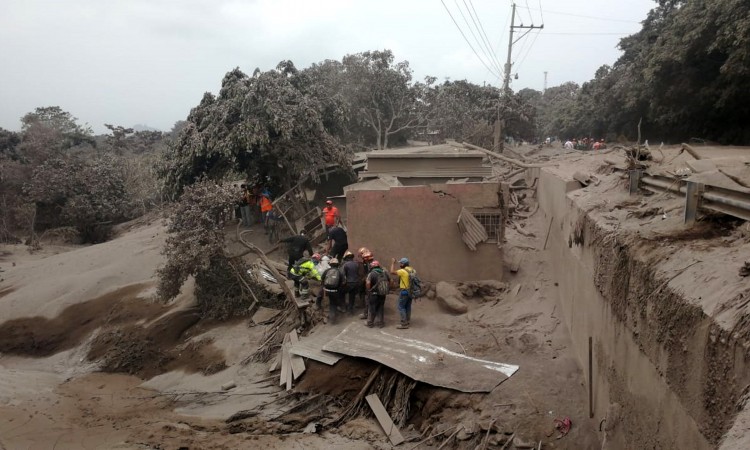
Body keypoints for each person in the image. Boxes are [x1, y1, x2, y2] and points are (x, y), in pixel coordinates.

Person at [390, 257, 415, 329]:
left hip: (404, 291)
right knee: (408, 306)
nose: (400, 264)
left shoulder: (402, 271)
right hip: (411, 291)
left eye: (400, 263)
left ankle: (404, 324)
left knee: (401, 307)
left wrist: (392, 263)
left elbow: (392, 272)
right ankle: (407, 320)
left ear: (403, 264)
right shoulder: (412, 270)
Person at [318, 257, 344, 323]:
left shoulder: (327, 271)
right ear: (337, 264)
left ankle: (328, 316)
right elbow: (343, 282)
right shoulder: (339, 272)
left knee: (329, 303)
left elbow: (322, 279)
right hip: (335, 291)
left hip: (327, 290)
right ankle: (333, 318)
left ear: (330, 264)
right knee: (333, 303)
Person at [365, 260, 390, 328]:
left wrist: (369, 290)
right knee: (380, 308)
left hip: (373, 294)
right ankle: (380, 323)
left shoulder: (371, 273)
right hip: (382, 294)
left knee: (371, 308)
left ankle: (370, 323)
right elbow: (390, 281)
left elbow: (368, 283)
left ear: (372, 267)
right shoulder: (384, 272)